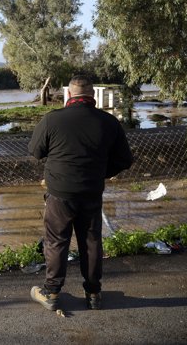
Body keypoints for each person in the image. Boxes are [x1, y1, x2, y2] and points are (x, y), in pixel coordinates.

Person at [27, 75, 133, 311]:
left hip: (59, 194)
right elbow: (125, 160)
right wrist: (101, 173)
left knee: (56, 242)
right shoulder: (108, 122)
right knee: (91, 241)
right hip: (91, 192)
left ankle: (52, 292)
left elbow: (35, 152)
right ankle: (94, 293)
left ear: (69, 95)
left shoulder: (52, 120)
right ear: (92, 96)